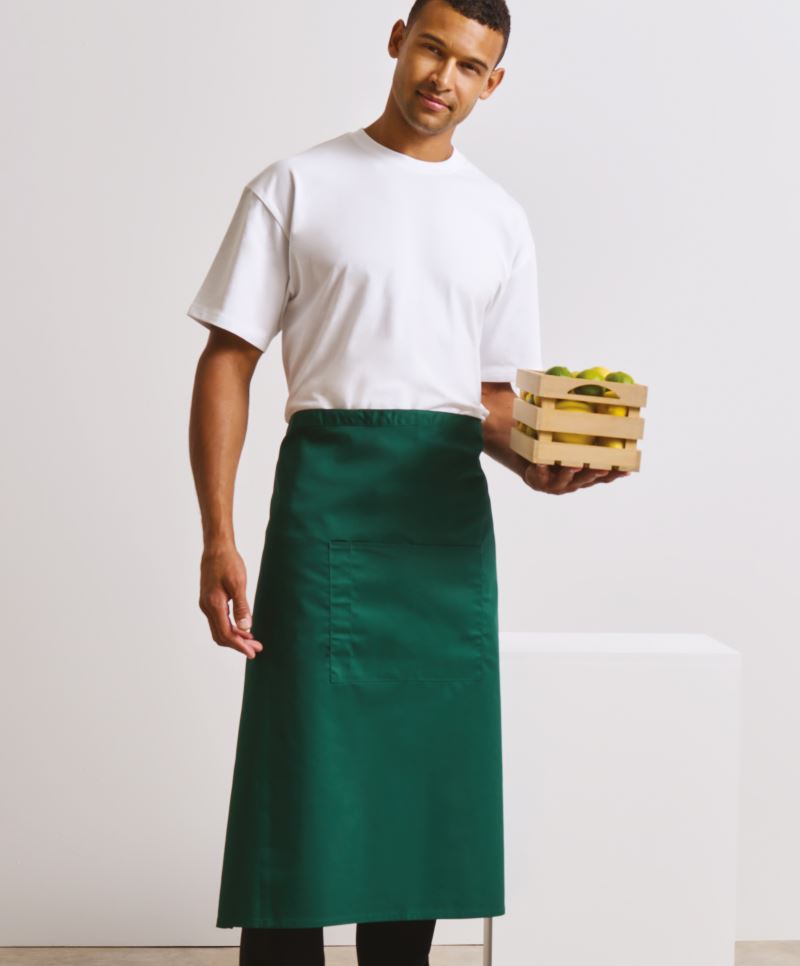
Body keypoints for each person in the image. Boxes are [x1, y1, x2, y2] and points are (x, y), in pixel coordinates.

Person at [186, 0, 629, 963]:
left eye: (470, 66)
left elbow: (492, 400)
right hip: (326, 517)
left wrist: (540, 464)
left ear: (493, 83)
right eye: (432, 49)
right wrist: (218, 534)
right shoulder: (296, 185)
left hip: (443, 534)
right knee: (300, 792)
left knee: (422, 802)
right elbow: (228, 360)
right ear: (398, 40)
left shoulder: (499, 218)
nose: (443, 78)